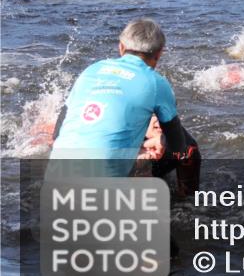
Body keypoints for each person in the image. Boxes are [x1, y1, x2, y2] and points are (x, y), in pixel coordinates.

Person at [49, 19, 194, 177]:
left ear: (121, 47)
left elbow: (57, 135)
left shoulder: (91, 70)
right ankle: (184, 199)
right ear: (159, 54)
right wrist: (156, 143)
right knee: (189, 147)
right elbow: (178, 146)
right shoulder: (156, 82)